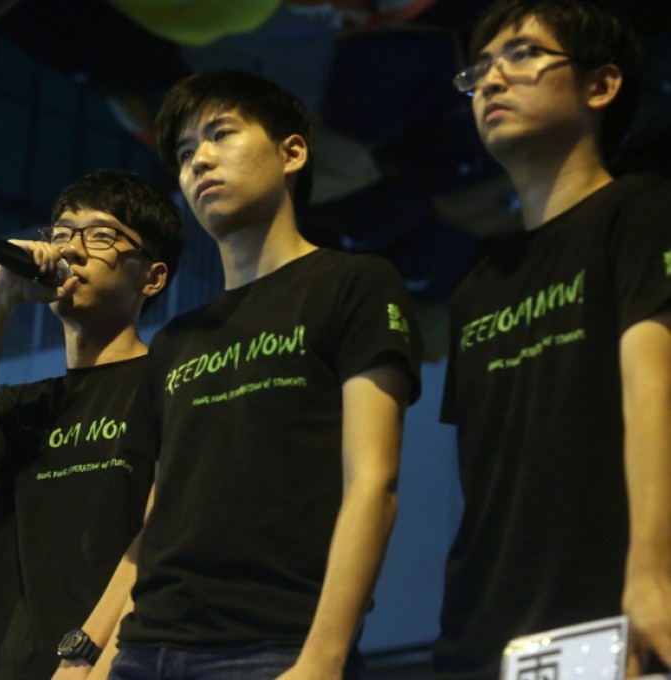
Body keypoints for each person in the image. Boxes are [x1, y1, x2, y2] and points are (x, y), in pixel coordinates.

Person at [85, 70, 423, 680]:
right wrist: (95, 657)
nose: (199, 161)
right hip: (144, 650)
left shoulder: (353, 284)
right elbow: (158, 519)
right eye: (184, 153)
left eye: (221, 134)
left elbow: (373, 483)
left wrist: (323, 657)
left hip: (272, 647)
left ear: (292, 152)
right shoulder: (176, 341)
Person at [433, 1, 671, 678]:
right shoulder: (476, 286)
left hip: (613, 608)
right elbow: (485, 475)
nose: (492, 79)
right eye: (480, 69)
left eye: (524, 54)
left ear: (601, 85)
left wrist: (652, 575)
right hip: (481, 632)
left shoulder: (642, 211)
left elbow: (654, 391)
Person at [0, 169, 184, 679]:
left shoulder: (172, 381)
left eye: (101, 235)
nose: (71, 249)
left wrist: (92, 650)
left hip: (110, 663)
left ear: (152, 277)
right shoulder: (27, 403)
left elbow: (167, 531)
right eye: (63, 233)